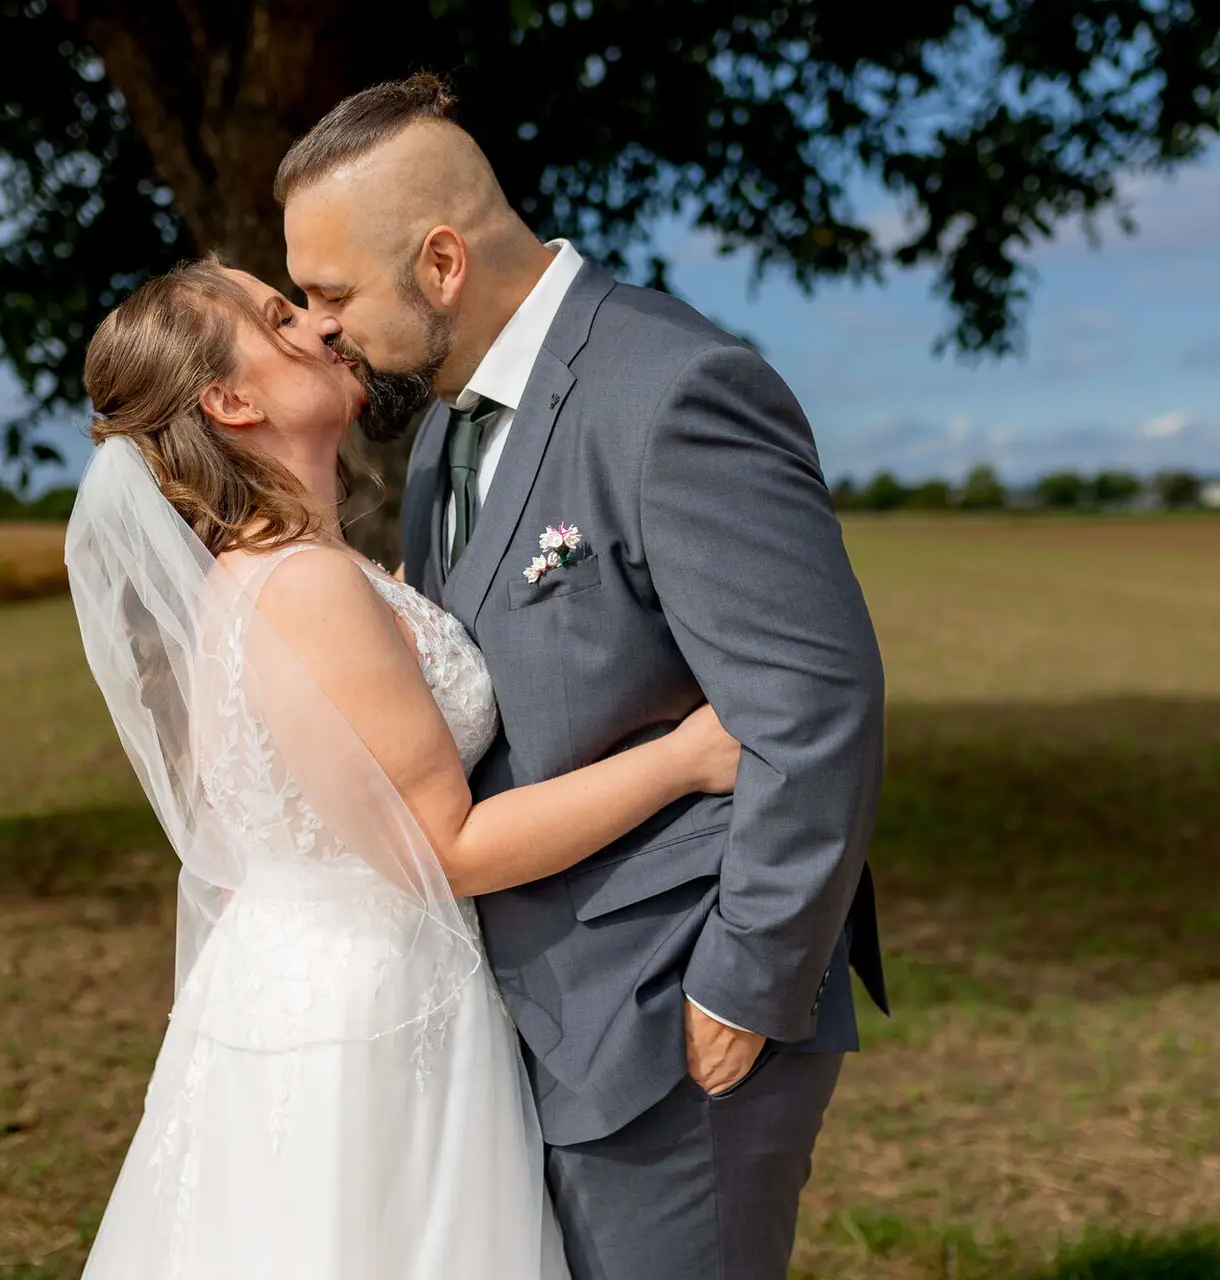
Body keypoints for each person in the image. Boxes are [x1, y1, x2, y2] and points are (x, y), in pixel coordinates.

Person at [276, 73, 888, 1280]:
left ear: (442, 263)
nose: (317, 324)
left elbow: (815, 710)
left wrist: (744, 982)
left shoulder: (673, 390)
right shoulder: (447, 422)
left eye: (331, 292)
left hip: (674, 1015)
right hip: (527, 1016)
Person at [65, 251, 742, 1278]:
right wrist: (686, 759)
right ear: (230, 399)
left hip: (291, 984)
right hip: (371, 1015)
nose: (320, 325)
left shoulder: (272, 578)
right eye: (278, 318)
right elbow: (447, 844)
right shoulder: (304, 587)